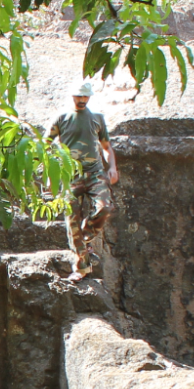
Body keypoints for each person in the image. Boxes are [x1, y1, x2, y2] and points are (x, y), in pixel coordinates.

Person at [47, 80, 118, 276]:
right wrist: (51, 173)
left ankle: (86, 234)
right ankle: (82, 267)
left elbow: (106, 147)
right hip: (71, 176)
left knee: (105, 207)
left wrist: (112, 167)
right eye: (79, 96)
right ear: (72, 96)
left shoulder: (97, 119)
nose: (82, 100)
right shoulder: (61, 118)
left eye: (85, 96)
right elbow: (44, 146)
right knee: (72, 223)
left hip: (95, 173)